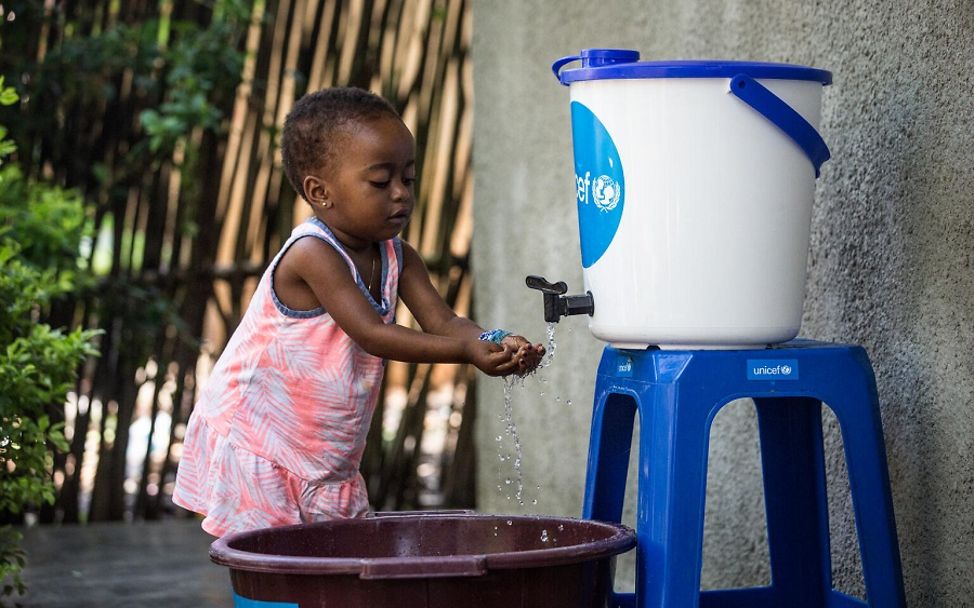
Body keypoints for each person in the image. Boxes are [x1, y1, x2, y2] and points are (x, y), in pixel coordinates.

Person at [172, 87, 544, 537]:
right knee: (273, 571)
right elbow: (372, 334)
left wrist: (495, 342)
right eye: (380, 182)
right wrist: (466, 352)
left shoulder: (397, 256)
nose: (401, 194)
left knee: (335, 568)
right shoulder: (313, 255)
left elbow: (445, 323)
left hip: (325, 458)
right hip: (262, 447)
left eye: (408, 178)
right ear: (320, 192)